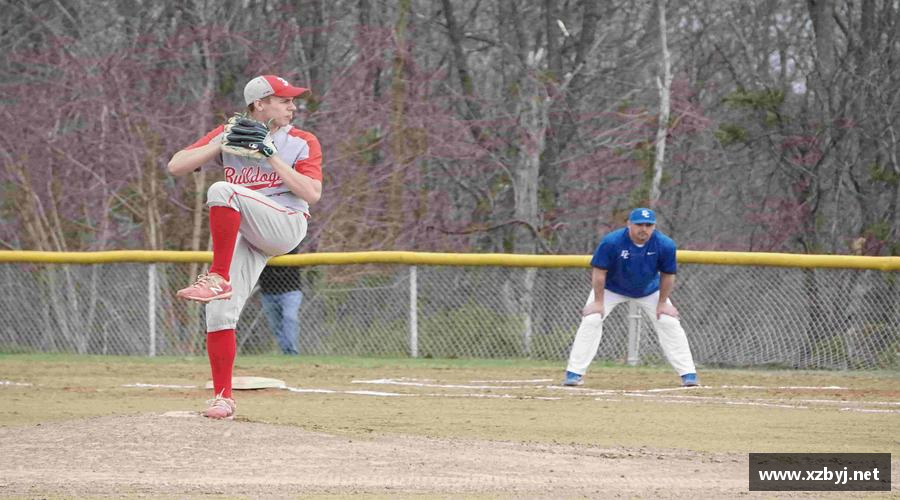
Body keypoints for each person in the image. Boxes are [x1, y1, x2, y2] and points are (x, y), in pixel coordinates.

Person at [167, 74, 323, 419]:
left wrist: (271, 157)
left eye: (291, 100)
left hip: (285, 222)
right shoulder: (233, 132)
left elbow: (312, 194)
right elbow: (176, 165)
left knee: (223, 191)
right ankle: (223, 397)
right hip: (247, 230)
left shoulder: (301, 140)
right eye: (284, 100)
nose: (292, 106)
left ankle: (217, 276)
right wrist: (220, 142)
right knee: (219, 312)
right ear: (259, 104)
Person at [563, 208, 699, 387]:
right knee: (591, 319)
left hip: (649, 290)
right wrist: (598, 301)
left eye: (649, 225)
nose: (644, 229)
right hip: (611, 289)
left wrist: (663, 303)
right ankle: (574, 373)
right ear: (629, 224)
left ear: (654, 226)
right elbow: (599, 272)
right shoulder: (612, 242)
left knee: (669, 321)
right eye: (639, 224)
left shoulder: (665, 244)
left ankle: (688, 374)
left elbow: (668, 275)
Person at [258, 245, 304, 355]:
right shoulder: (259, 243)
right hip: (268, 292)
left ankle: (292, 352)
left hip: (291, 291)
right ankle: (287, 352)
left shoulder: (290, 240)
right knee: (276, 326)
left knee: (290, 318)